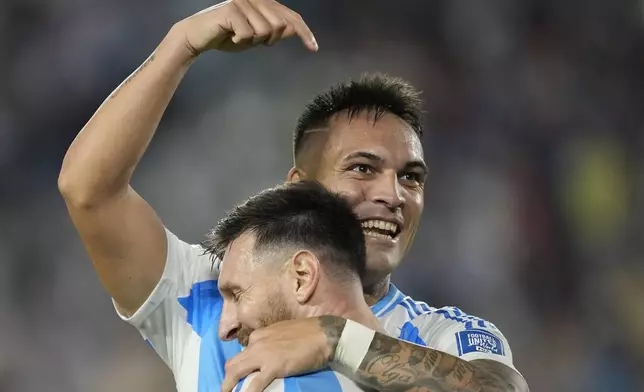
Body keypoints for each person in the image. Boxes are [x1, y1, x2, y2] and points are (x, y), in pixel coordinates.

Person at [58, 0, 529, 391]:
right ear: (302, 189)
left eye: (411, 178)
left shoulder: (442, 336)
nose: (393, 194)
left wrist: (337, 339)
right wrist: (179, 46)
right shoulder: (214, 300)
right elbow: (89, 191)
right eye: (363, 168)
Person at [207, 180, 382, 391]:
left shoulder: (275, 384)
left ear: (303, 277)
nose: (225, 329)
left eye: (237, 294)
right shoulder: (424, 356)